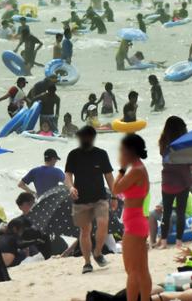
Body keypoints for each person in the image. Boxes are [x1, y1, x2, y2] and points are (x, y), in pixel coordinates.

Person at [65, 126, 116, 274]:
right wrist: (70, 187)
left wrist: (114, 195)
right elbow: (67, 175)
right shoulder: (73, 155)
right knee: (85, 230)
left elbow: (109, 177)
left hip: (100, 198)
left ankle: (98, 252)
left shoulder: (101, 154)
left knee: (103, 224)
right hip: (80, 199)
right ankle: (87, 263)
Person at [112, 134, 151, 301]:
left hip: (134, 225)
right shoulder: (139, 168)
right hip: (138, 222)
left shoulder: (135, 170)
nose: (120, 153)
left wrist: (121, 168)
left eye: (122, 150)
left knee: (132, 270)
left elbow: (115, 189)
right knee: (141, 270)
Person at [157, 116, 191, 248]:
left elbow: (164, 157)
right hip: (183, 181)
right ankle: (179, 242)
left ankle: (164, 241)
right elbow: (191, 164)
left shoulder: (163, 143)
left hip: (167, 181)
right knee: (181, 212)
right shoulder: (186, 143)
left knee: (166, 212)